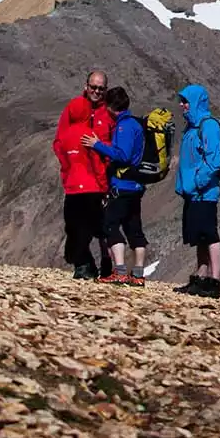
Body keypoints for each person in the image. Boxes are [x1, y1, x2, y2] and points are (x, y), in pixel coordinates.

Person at [85, 86, 148, 286]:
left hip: (123, 186)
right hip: (136, 187)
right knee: (134, 229)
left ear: (111, 107)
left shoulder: (124, 126)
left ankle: (120, 271)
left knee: (110, 225)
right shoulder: (136, 124)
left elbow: (122, 154)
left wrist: (97, 145)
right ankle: (137, 275)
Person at [53, 72, 112, 279]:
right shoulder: (74, 108)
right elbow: (59, 142)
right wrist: (69, 167)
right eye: (93, 87)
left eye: (100, 88)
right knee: (78, 226)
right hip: (83, 181)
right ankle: (84, 264)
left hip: (102, 178)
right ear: (86, 86)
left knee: (102, 226)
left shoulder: (108, 112)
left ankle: (107, 265)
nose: (96, 91)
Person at [172, 84, 220, 299]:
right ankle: (201, 278)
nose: (182, 105)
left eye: (185, 101)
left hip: (204, 193)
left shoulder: (208, 126)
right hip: (193, 193)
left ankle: (215, 281)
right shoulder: (191, 127)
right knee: (199, 237)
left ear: (195, 102)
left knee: (210, 235)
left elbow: (214, 162)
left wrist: (195, 182)